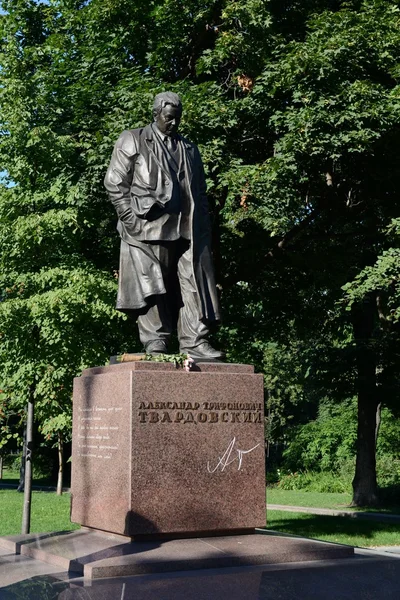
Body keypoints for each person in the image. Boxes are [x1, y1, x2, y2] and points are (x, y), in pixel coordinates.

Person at [104, 92, 224, 360]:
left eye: (177, 119)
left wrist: (203, 226)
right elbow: (115, 183)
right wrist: (129, 217)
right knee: (153, 286)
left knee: (195, 285)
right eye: (169, 118)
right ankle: (155, 341)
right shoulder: (133, 138)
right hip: (148, 226)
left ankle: (195, 342)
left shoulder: (190, 149)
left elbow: (201, 193)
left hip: (188, 228)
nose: (174, 124)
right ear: (156, 113)